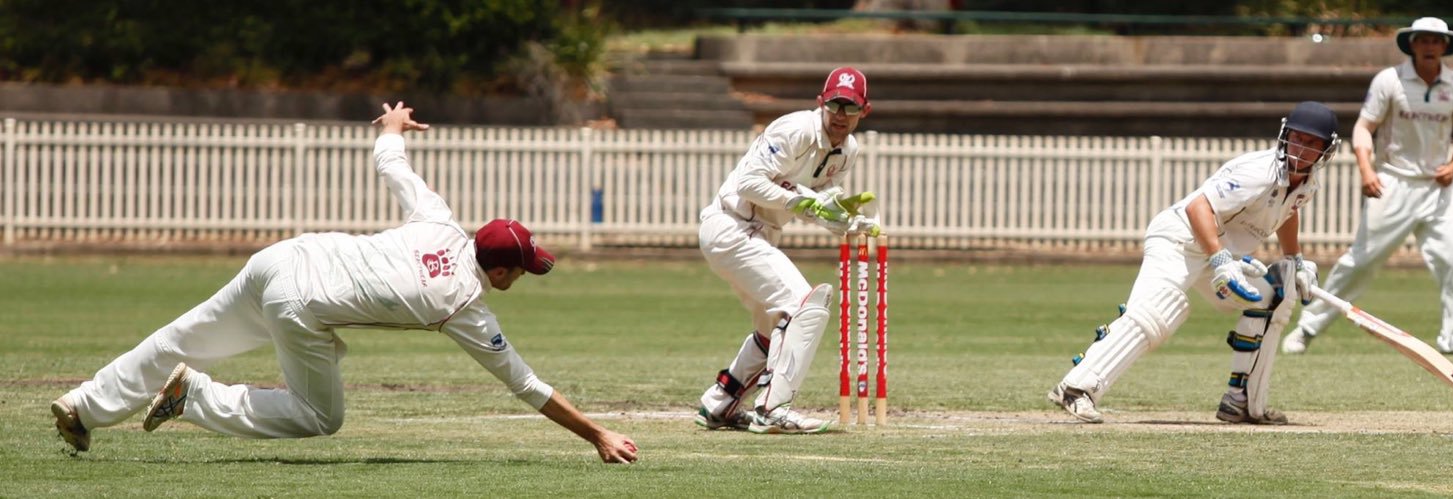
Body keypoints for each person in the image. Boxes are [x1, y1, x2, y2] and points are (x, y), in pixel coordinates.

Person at [50, 102, 639, 463]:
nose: (526, 276)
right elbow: (526, 384)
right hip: (301, 303)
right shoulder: (462, 305)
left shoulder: (440, 222)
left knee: (183, 336)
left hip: (284, 256)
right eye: (525, 269)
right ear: (503, 272)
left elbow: (394, 166)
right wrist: (596, 434)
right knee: (319, 417)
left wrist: (392, 125)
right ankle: (197, 396)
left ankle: (83, 405)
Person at [1050, 102, 1340, 425]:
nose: (1301, 148)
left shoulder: (1308, 184)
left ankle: (1241, 402)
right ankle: (1077, 388)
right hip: (1180, 240)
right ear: (1285, 135)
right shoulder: (1258, 171)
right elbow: (1199, 207)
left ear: (1327, 150)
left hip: (1219, 255)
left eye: (1312, 143)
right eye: (1297, 138)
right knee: (1158, 311)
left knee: (1275, 296)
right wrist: (1220, 259)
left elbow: (1289, 211)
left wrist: (1295, 260)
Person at [693, 67, 882, 434]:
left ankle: (719, 404)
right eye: (835, 105)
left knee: (771, 325)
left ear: (865, 110)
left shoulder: (847, 151)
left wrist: (847, 222)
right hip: (731, 226)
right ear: (820, 103)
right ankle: (773, 408)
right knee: (806, 304)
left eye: (851, 108)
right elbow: (749, 183)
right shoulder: (793, 129)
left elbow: (818, 205)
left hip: (760, 236)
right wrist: (804, 204)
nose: (841, 115)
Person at [1282, 17, 1453, 357]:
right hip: (1392, 180)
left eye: (1436, 40)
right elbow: (1363, 128)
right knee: (1360, 262)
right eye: (1423, 40)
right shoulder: (1390, 80)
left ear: (1445, 46)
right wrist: (1366, 170)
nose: (1430, 46)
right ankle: (1307, 327)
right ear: (1412, 44)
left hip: (1438, 187)